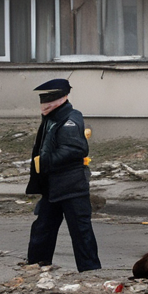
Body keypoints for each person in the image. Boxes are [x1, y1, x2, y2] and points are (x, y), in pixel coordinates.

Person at [24, 79, 100, 272]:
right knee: (43, 228)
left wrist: (46, 161)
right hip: (53, 186)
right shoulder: (53, 117)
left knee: (81, 232)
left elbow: (75, 149)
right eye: (43, 99)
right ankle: (37, 266)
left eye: (50, 99)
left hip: (72, 186)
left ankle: (90, 272)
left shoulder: (69, 119)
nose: (44, 104)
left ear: (63, 98)